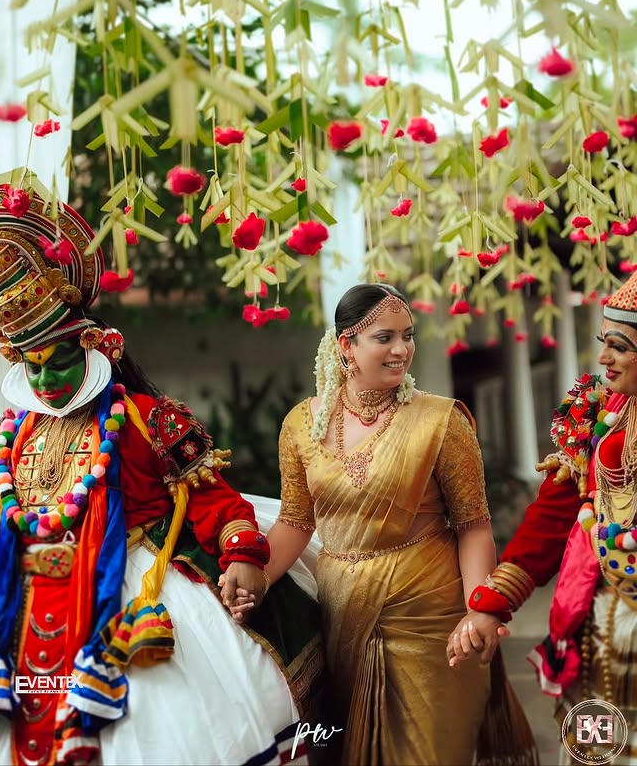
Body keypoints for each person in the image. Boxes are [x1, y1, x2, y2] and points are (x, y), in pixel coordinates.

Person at [0, 177, 323, 766]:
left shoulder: (146, 419)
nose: (45, 384)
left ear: (94, 347)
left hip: (135, 585)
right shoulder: (15, 434)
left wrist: (242, 554)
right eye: (32, 370)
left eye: (58, 365)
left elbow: (215, 502)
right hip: (35, 595)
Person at [229, 281, 503, 765]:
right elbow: (296, 522)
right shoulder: (300, 425)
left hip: (431, 620)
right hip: (343, 615)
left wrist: (478, 608)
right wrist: (258, 580)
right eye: (384, 337)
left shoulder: (440, 421)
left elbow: (473, 525)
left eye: (408, 335)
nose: (402, 349)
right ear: (346, 347)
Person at [449, 268, 637, 763]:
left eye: (619, 345)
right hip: (600, 624)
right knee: (601, 749)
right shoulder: (597, 413)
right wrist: (491, 605)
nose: (603, 358)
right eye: (604, 342)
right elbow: (552, 518)